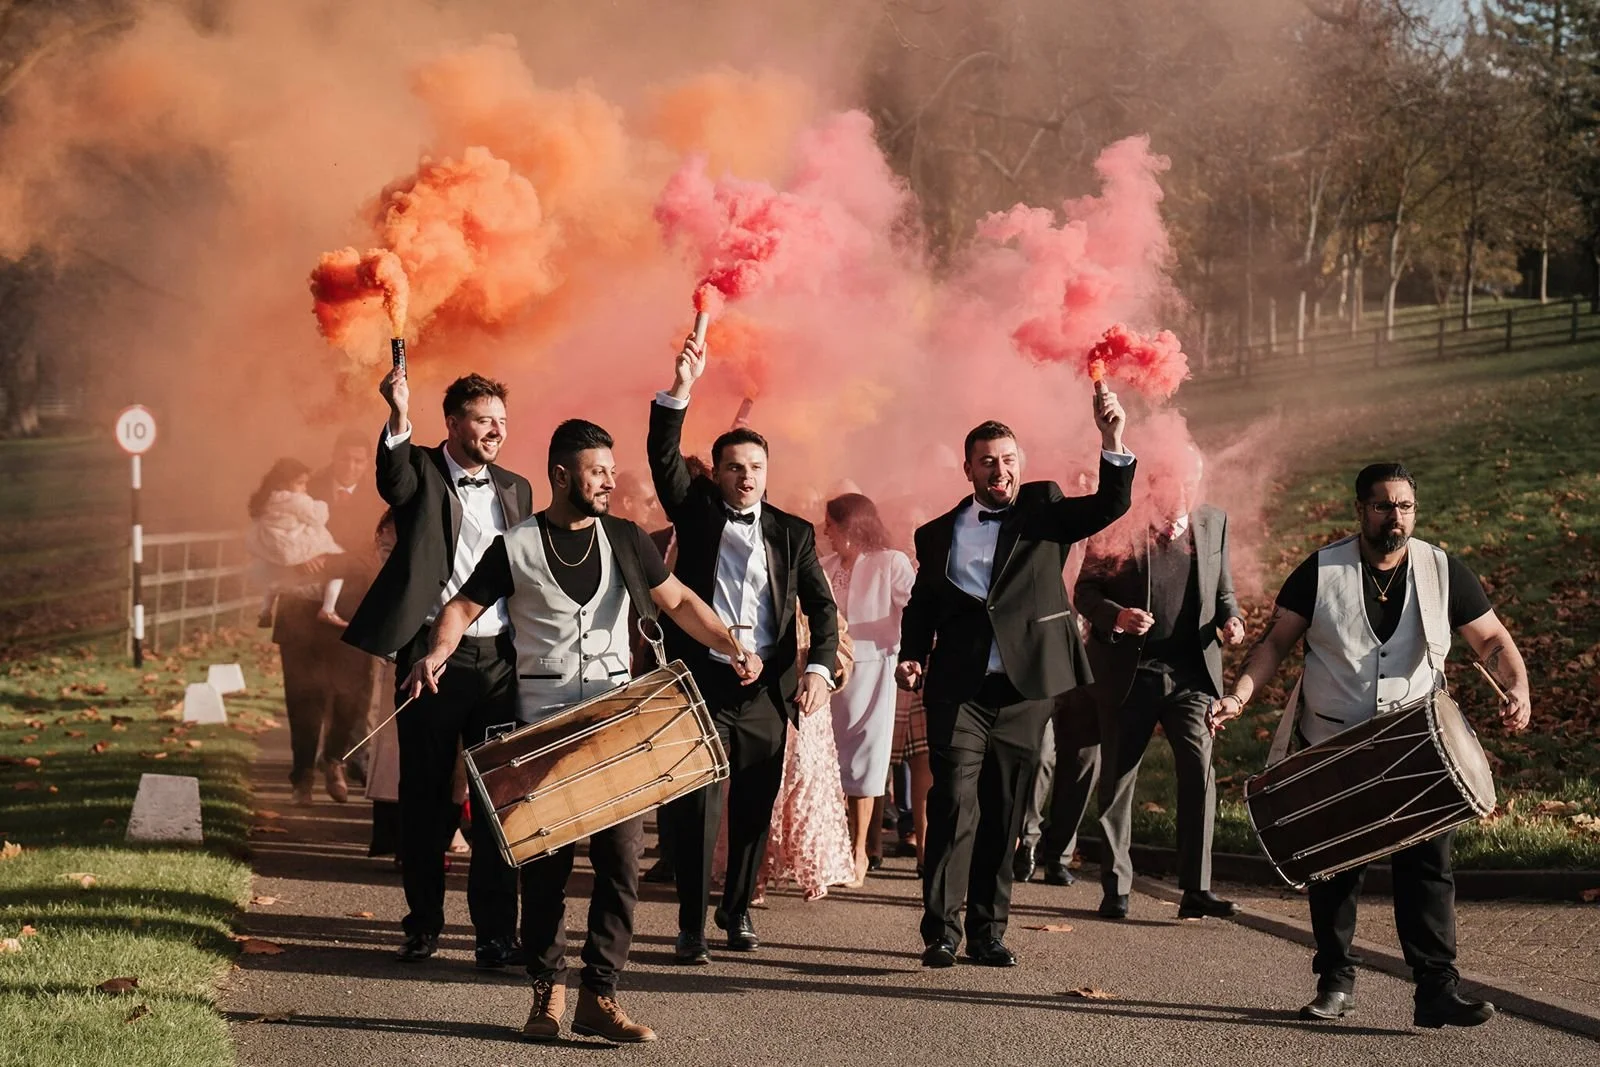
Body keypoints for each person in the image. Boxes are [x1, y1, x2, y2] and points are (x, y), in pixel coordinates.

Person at [403, 419, 761, 1044]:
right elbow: (461, 606)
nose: (609, 481)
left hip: (615, 724)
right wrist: (437, 651)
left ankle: (600, 994)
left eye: (611, 471)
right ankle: (547, 992)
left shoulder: (625, 538)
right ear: (562, 475)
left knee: (621, 864)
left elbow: (679, 601)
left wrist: (732, 644)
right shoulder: (515, 545)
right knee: (546, 872)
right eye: (597, 472)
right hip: (541, 729)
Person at [1209, 462, 1533, 1029]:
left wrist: (1518, 687)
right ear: (1360, 509)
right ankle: (1335, 981)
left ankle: (1436, 989)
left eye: (1405, 506)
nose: (1395, 517)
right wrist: (1238, 696)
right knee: (1333, 868)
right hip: (1333, 743)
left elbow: (1492, 640)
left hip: (1416, 746)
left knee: (1428, 869)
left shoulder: (1443, 570)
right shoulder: (1320, 571)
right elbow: (1274, 644)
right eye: (1383, 506)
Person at [897, 396, 1134, 970]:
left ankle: (987, 932)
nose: (998, 470)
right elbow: (923, 604)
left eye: (1007, 460)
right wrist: (911, 654)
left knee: (1004, 813)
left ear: (1020, 464)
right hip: (960, 689)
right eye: (986, 461)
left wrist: (1112, 439)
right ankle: (941, 932)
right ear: (968, 469)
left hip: (1024, 690)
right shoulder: (935, 534)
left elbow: (1110, 504)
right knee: (952, 803)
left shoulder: (1043, 509)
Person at [647, 330, 839, 965]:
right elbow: (663, 457)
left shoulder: (793, 532)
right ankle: (690, 924)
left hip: (766, 692)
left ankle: (736, 910)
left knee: (755, 807)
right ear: (718, 472)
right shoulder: (696, 512)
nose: (745, 477)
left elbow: (822, 607)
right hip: (701, 681)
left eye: (755, 468)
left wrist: (818, 669)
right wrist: (681, 389)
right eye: (734, 467)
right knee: (697, 806)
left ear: (767, 473)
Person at [343, 370, 532, 969]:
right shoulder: (420, 470)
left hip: (499, 659)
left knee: (497, 798)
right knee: (424, 799)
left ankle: (496, 934)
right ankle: (422, 924)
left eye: (502, 421)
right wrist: (399, 412)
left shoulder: (518, 488)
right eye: (483, 419)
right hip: (429, 659)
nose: (496, 430)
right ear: (452, 423)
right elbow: (392, 478)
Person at [1074, 453, 1244, 921]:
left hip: (1191, 675)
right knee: (1118, 779)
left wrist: (1232, 619)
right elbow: (1085, 591)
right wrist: (1118, 617)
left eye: (1192, 482)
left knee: (1199, 769)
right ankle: (1116, 887)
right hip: (1130, 673)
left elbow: (1223, 591)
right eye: (1174, 482)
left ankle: (1197, 889)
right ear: (1154, 482)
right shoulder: (1121, 521)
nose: (1184, 493)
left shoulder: (1213, 521)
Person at [821, 493, 915, 884]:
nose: (825, 531)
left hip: (874, 671)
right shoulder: (824, 565)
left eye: (831, 524)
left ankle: (859, 853)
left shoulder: (891, 562)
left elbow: (915, 611)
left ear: (852, 525)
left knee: (865, 760)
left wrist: (911, 657)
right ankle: (830, 849)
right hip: (828, 674)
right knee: (827, 762)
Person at [246, 458, 346, 629]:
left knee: (274, 581)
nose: (304, 488)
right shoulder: (297, 500)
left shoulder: (267, 501)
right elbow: (317, 517)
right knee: (339, 569)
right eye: (300, 483)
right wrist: (321, 504)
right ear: (283, 483)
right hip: (293, 544)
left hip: (276, 545)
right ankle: (328, 609)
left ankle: (265, 611)